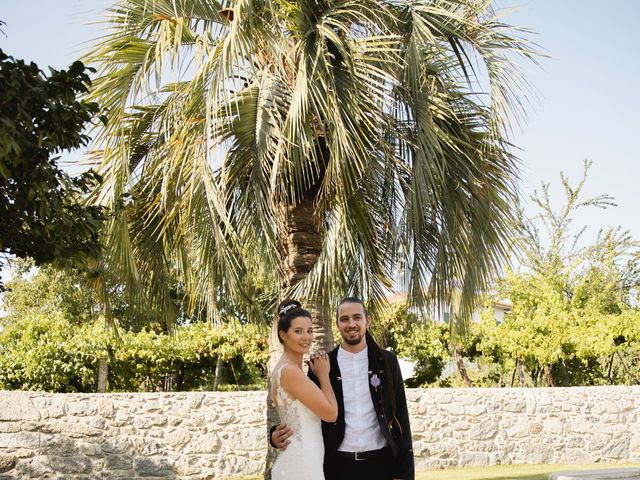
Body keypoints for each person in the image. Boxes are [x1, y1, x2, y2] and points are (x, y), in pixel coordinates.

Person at [271, 297, 414, 480]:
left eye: (357, 317)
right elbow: (305, 407)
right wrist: (275, 434)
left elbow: (401, 415)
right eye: (344, 319)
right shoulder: (321, 365)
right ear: (337, 324)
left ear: (366, 321)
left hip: (381, 465)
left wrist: (404, 474)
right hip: (337, 468)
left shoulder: (387, 361)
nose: (351, 324)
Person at [270, 299, 338, 480]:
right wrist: (324, 375)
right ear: (283, 335)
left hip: (301, 460)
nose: (306, 337)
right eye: (298, 331)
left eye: (309, 330)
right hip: (302, 463)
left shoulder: (281, 369)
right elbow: (331, 414)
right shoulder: (290, 371)